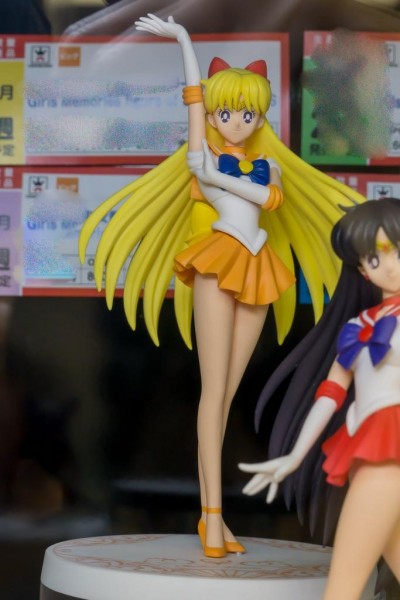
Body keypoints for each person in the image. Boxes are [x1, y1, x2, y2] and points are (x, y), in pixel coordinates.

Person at [79, 14, 365, 558]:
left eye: (247, 113)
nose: (235, 122)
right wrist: (184, 41)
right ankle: (211, 518)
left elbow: (269, 198)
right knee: (213, 395)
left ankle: (216, 517)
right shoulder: (204, 156)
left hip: (257, 267)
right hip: (216, 264)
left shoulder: (264, 166)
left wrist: (226, 178)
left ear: (260, 116)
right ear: (212, 113)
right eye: (225, 112)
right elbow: (195, 106)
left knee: (226, 398)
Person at [240, 198, 400, 599]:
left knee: (341, 589)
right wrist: (295, 457)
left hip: (388, 454)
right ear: (361, 268)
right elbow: (331, 393)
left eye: (397, 252)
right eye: (375, 258)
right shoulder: (358, 326)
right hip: (368, 448)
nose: (389, 267)